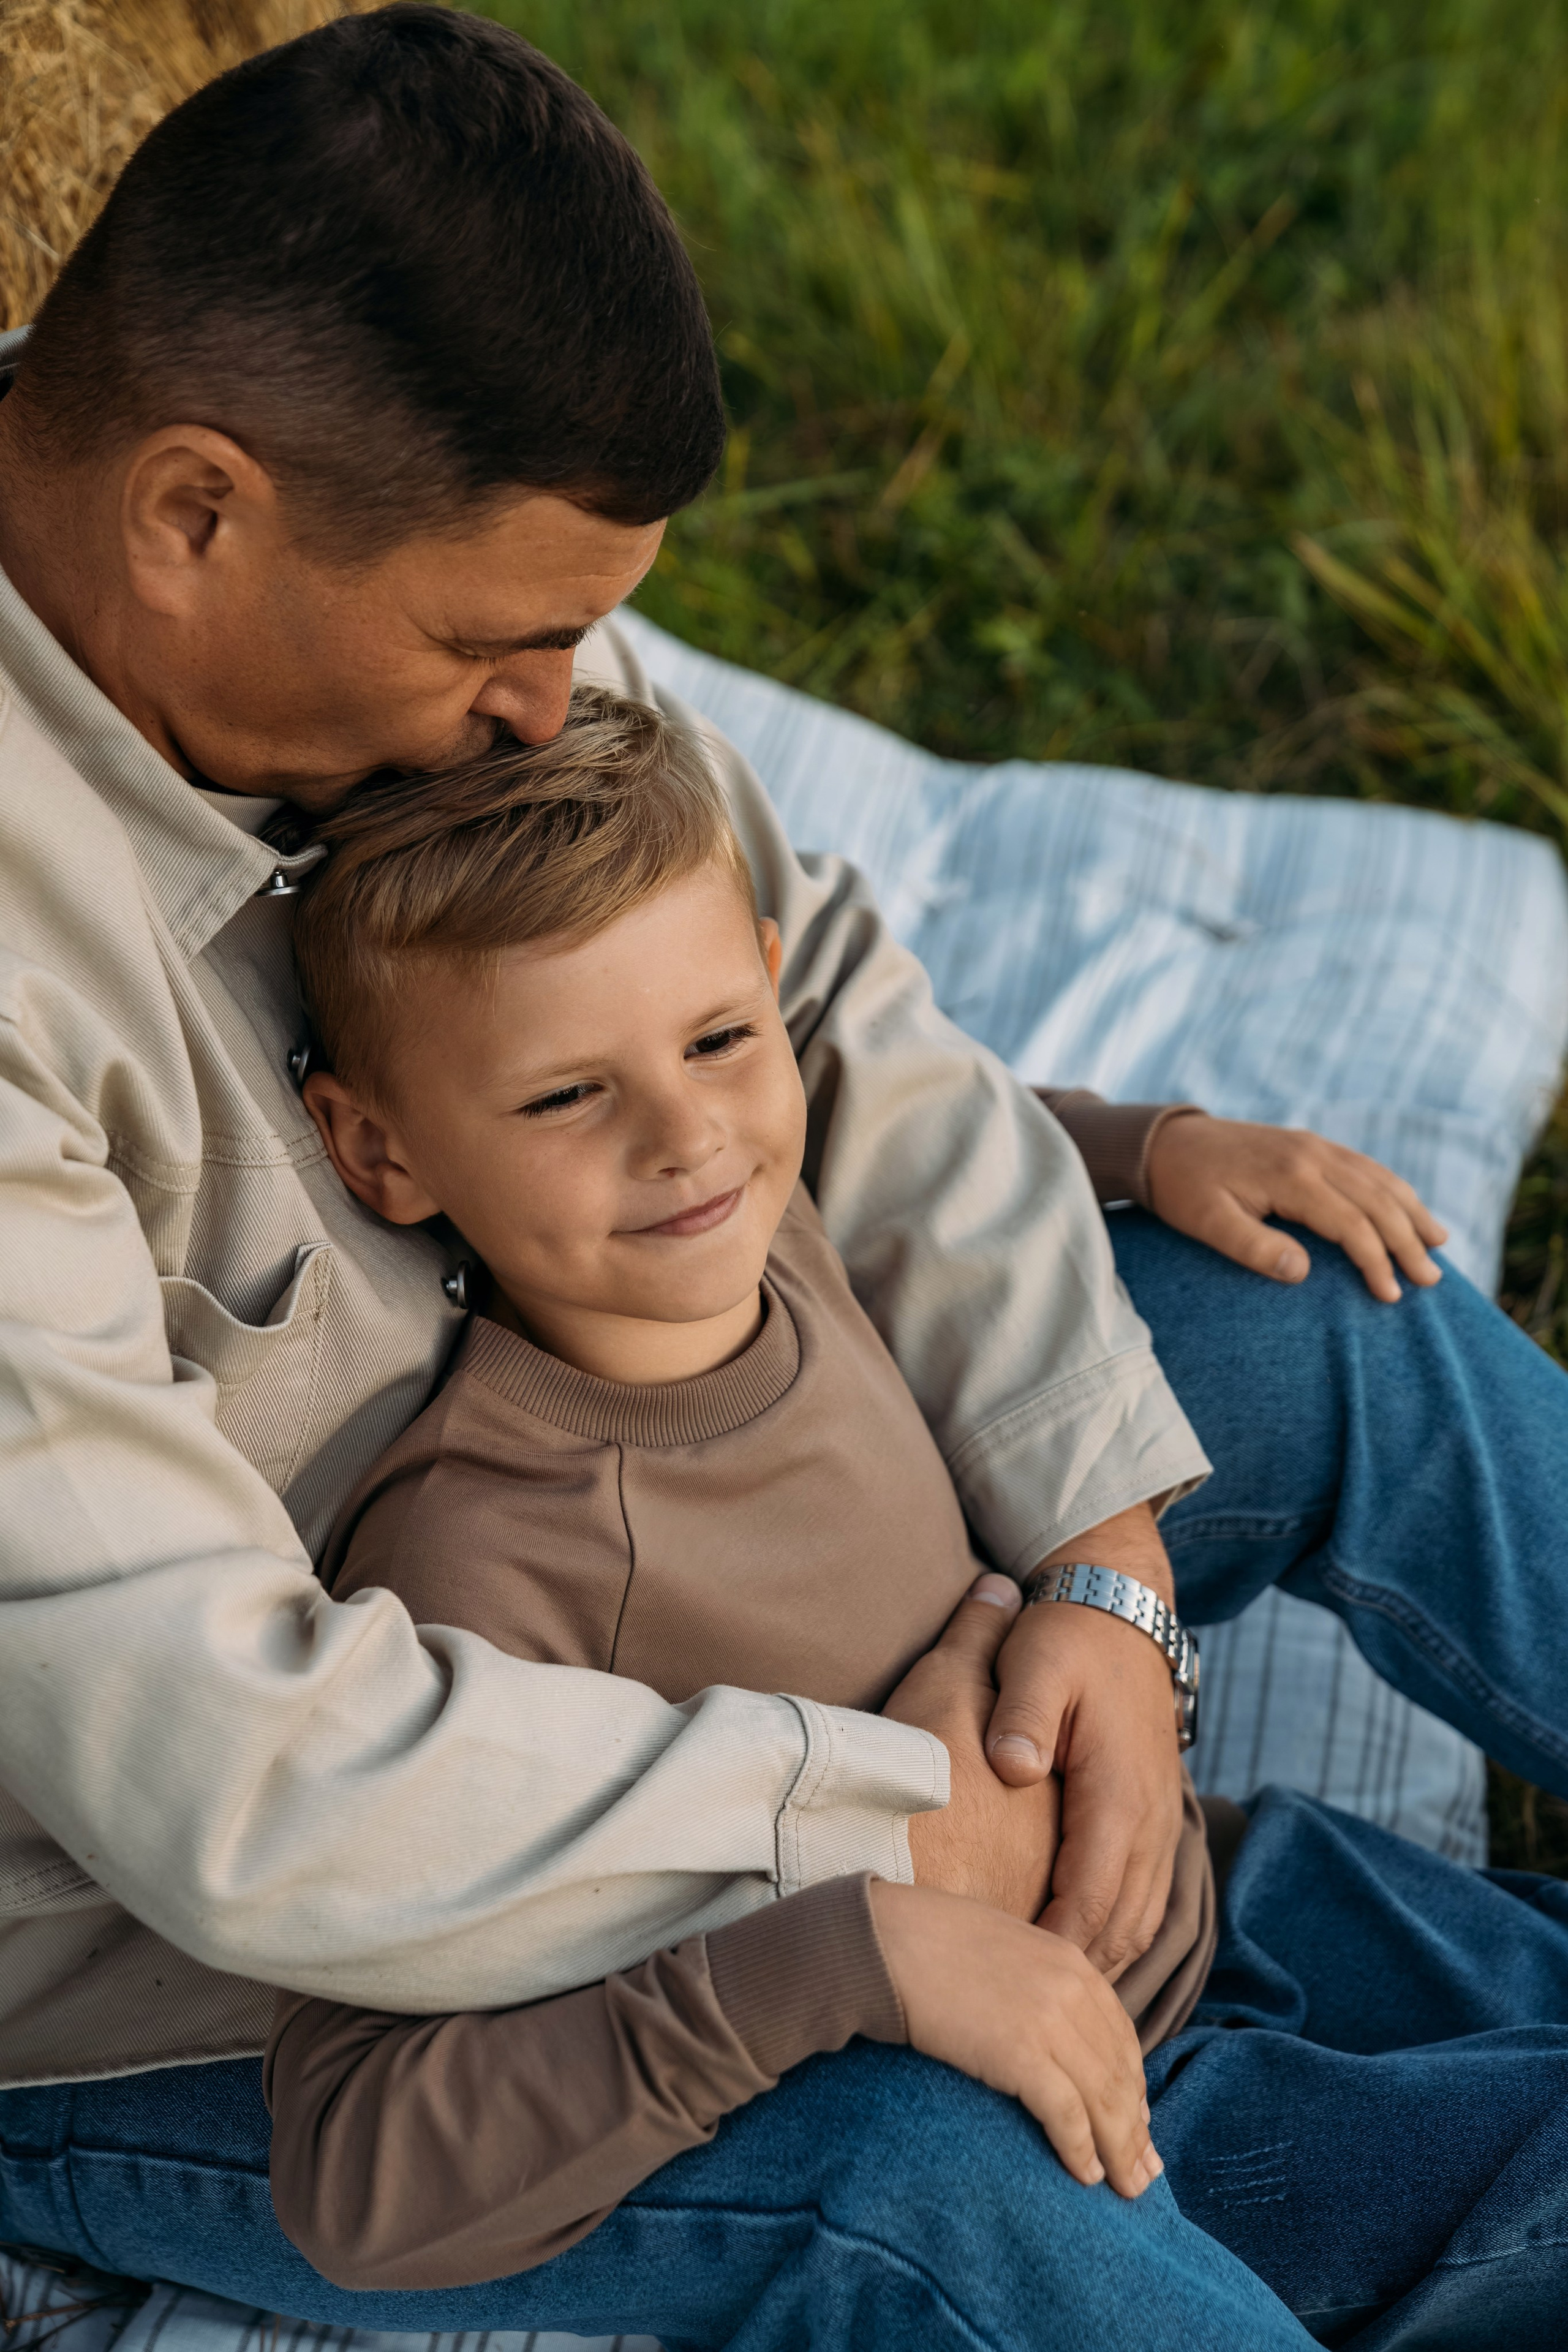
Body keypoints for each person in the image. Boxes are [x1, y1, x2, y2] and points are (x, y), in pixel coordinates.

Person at [1, 9, 1567, 2347]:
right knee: (930, 2158)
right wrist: (884, 1827)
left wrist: (1109, 1577)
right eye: (501, 644)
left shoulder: (370, 560)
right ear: (194, 512)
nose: (560, 705)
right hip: (226, 1969)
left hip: (709, 1481)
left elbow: (808, 968)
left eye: (578, 630)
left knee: (1323, 1314)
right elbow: (225, 1770)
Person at [247, 692, 1564, 2349]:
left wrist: (1139, 1145)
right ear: (379, 1150)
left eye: (721, 1042)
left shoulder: (768, 1213)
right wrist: (841, 1963)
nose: (688, 1139)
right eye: (567, 1098)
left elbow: (925, 1148)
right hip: (1112, 2138)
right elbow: (361, 2171)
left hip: (1218, 1888)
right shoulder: (484, 1556)